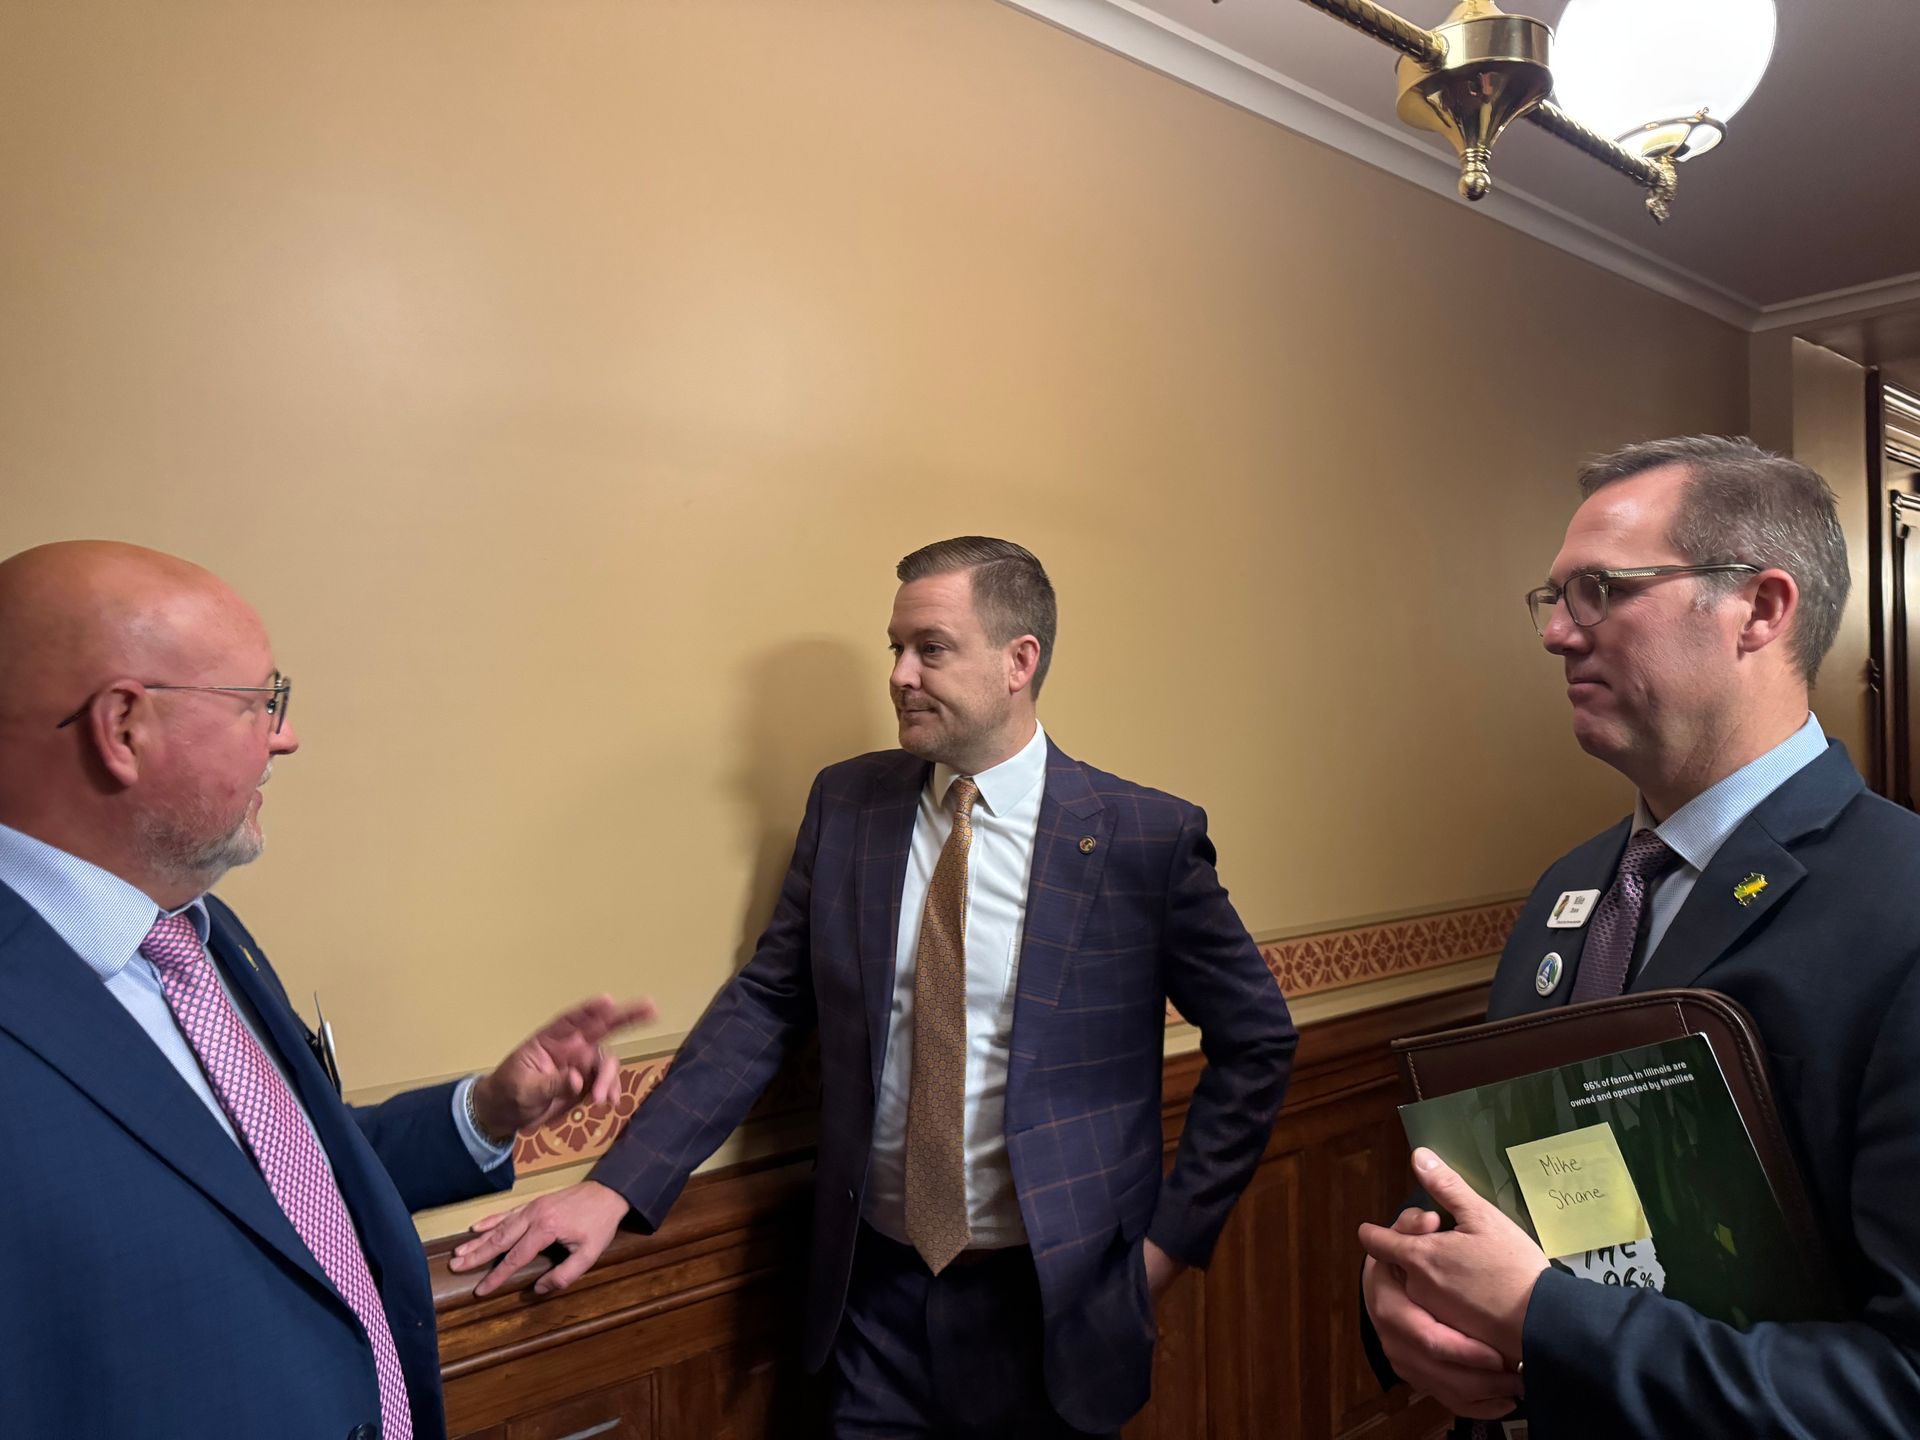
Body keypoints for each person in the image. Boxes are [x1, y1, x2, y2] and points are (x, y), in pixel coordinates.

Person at [451, 536, 1298, 1437]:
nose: (898, 674)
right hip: (874, 1302)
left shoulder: (1142, 837)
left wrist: (1168, 1246)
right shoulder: (850, 805)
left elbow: (1258, 1040)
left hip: (1058, 1310)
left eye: (931, 648)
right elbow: (769, 1003)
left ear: (1019, 662)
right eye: (895, 647)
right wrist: (617, 1186)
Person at [0, 540, 652, 1440]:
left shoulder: (196, 932)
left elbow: (286, 1177)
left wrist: (489, 1111)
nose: (286, 736)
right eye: (259, 702)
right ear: (124, 729)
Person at [1358, 436, 1920, 1436]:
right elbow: (1492, 1190)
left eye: (1603, 591)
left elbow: (1900, 1388)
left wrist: (1547, 1323)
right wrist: (1404, 1300)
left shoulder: (1902, 903)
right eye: (1556, 597)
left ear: (1760, 609)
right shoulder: (1569, 892)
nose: (1557, 634)